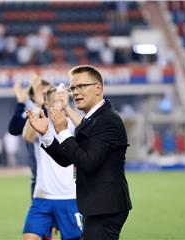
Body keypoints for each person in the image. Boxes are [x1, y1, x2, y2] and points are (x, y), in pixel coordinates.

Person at [27, 65, 132, 240]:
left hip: (106, 207)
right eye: (73, 88)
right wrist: (45, 134)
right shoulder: (91, 119)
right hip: (95, 205)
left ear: (98, 88)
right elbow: (67, 158)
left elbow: (88, 162)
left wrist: (62, 131)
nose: (75, 92)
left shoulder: (107, 120)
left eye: (81, 86)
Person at [22, 83, 82, 240]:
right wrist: (37, 106)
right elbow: (27, 137)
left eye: (63, 99)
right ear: (47, 104)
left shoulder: (71, 123)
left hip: (71, 196)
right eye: (57, 101)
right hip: (43, 197)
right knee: (29, 238)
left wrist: (68, 107)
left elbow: (88, 128)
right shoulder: (42, 123)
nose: (60, 103)